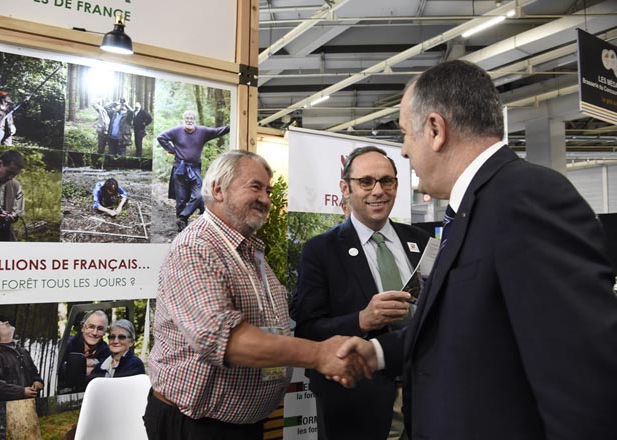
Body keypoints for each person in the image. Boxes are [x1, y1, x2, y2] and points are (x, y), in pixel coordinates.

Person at [335, 60, 617, 439]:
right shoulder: (473, 207)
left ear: (435, 130)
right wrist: (380, 353)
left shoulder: (527, 198)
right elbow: (467, 326)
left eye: (405, 134)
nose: (403, 152)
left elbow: (582, 377)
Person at [144, 150, 372, 440]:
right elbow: (224, 339)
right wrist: (318, 354)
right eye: (255, 187)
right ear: (218, 189)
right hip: (196, 427)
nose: (265, 199)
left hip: (243, 426)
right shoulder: (197, 248)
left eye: (268, 190)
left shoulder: (250, 250)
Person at [294, 146, 430, 440]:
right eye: (366, 182)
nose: (378, 191)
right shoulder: (321, 251)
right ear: (345, 188)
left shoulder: (419, 241)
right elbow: (307, 330)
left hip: (424, 395)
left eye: (387, 181)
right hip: (357, 401)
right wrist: (361, 320)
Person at [156, 110, 230, 231]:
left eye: (192, 118)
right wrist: (172, 150)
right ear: (184, 119)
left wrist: (232, 126)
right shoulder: (176, 131)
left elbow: (218, 131)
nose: (189, 120)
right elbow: (161, 137)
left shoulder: (203, 131)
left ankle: (183, 216)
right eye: (187, 118)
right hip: (180, 168)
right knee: (181, 199)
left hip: (195, 168)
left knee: (198, 194)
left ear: (195, 120)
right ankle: (181, 225)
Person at [0, 316, 44, 404]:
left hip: (28, 408)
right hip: (4, 412)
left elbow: (34, 373)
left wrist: (38, 381)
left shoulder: (23, 352)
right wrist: (21, 392)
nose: (6, 322)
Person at [58, 310, 110, 393]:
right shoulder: (65, 345)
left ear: (105, 331)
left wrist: (75, 366)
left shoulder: (108, 352)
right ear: (82, 327)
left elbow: (105, 378)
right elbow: (58, 372)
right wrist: (94, 364)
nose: (95, 333)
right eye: (91, 327)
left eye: (100, 328)